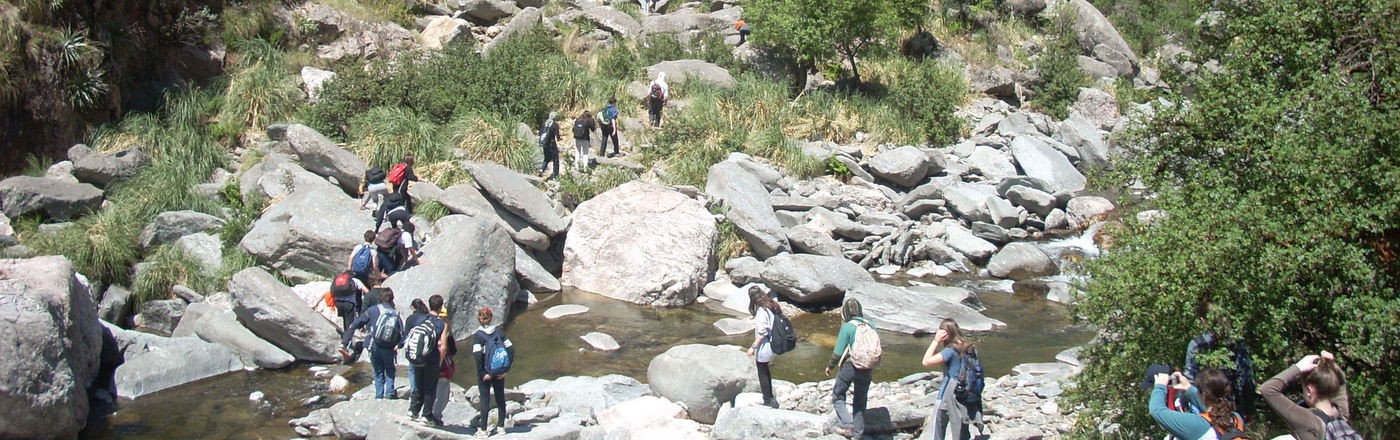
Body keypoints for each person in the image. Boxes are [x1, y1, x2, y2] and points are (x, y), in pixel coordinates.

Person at [1260, 351, 1359, 440]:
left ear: (1309, 391)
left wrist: (1298, 367)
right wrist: (1332, 366)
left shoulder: (1307, 421)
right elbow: (1341, 384)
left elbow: (1267, 389)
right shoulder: (1341, 415)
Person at [1147, 367, 1249, 440]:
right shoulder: (1236, 419)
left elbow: (1156, 410)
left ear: (1202, 395)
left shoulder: (1196, 424)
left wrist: (1160, 386)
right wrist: (1189, 388)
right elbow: (1212, 413)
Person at [825, 298, 875, 438]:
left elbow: (838, 351)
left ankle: (848, 426)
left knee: (838, 396)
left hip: (850, 366)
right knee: (860, 400)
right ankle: (858, 434)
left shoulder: (847, 327)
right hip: (867, 366)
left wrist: (830, 366)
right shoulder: (870, 324)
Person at [342, 289, 402, 399]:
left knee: (378, 370)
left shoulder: (373, 310)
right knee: (389, 370)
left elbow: (360, 321)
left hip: (374, 344)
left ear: (380, 298)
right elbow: (401, 332)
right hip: (389, 347)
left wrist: (351, 326)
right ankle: (389, 393)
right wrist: (398, 344)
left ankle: (379, 396)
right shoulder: (395, 313)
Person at [921, 319, 973, 440]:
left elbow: (926, 361)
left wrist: (935, 341)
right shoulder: (968, 346)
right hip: (964, 391)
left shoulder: (950, 351)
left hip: (948, 392)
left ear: (945, 334)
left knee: (938, 425)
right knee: (961, 426)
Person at [402, 297, 448, 425]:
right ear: (440, 307)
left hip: (418, 356)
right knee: (430, 387)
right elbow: (443, 347)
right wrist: (439, 362)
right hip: (432, 358)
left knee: (418, 384)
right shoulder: (442, 324)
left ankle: (413, 411)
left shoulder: (420, 318)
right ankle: (426, 416)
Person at [471, 306, 515, 435]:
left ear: (479, 318)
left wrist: (482, 373)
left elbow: (478, 355)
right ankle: (501, 427)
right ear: (491, 318)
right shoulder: (499, 332)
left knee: (485, 400)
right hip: (499, 370)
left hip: (486, 372)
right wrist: (507, 368)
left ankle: (483, 430)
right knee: (500, 397)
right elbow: (511, 349)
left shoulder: (477, 336)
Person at [745, 286, 781, 408]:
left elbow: (762, 332)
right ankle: (770, 398)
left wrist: (753, 347)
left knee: (763, 373)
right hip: (774, 343)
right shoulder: (772, 305)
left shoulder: (762, 311)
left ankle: (768, 400)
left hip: (765, 346)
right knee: (766, 371)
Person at [429, 296, 456, 423]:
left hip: (426, 361)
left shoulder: (427, 322)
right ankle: (436, 417)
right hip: (441, 365)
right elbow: (448, 349)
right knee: (442, 393)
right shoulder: (444, 328)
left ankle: (426, 413)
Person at [538, 111, 561, 179]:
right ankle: (555, 175)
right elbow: (557, 135)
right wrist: (559, 138)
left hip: (544, 144)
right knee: (555, 159)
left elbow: (540, 132)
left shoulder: (544, 123)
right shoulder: (554, 125)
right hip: (552, 144)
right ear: (555, 117)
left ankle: (541, 169)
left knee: (547, 158)